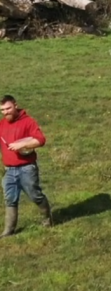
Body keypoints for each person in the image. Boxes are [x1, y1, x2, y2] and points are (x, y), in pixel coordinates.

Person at [0, 95, 52, 238]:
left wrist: (22, 144)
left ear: (15, 106)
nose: (5, 112)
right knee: (10, 199)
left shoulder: (28, 122)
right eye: (2, 110)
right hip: (9, 170)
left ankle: (47, 219)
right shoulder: (1, 125)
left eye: (8, 108)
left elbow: (40, 140)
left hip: (27, 168)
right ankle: (8, 231)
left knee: (35, 195)